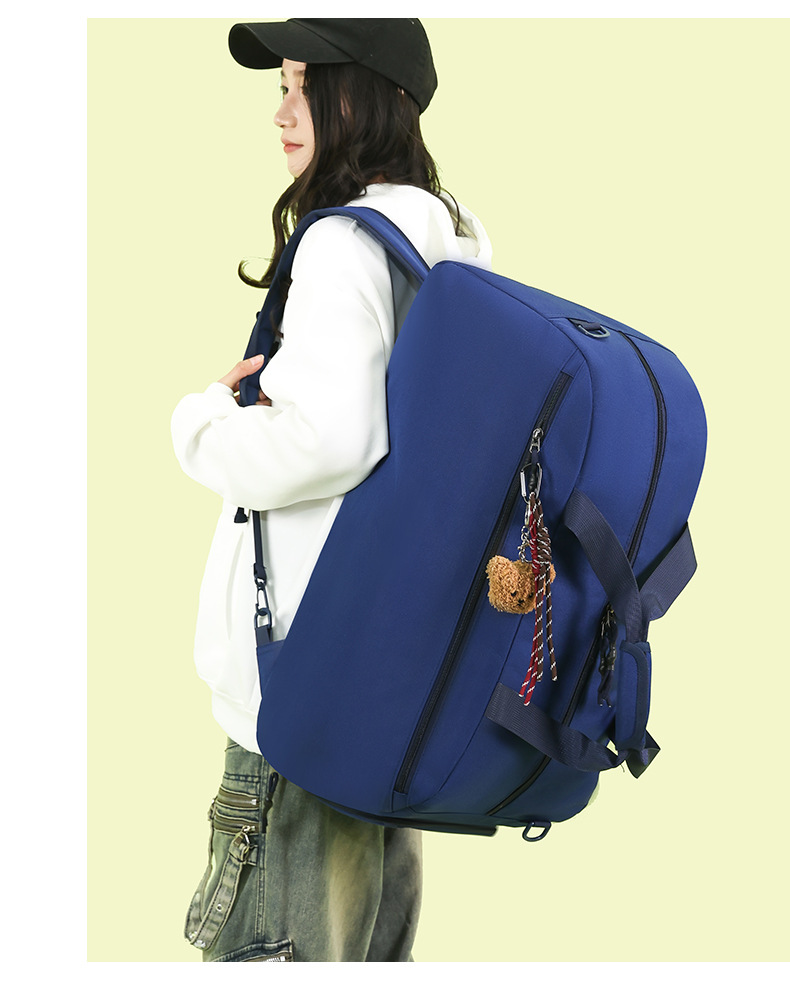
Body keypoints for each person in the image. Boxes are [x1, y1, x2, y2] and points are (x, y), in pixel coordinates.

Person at [171, 19, 492, 963]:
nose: (281, 113)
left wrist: (201, 421)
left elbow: (329, 440)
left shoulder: (345, 243)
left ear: (361, 95)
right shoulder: (451, 239)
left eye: (300, 85)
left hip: (300, 693)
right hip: (386, 686)